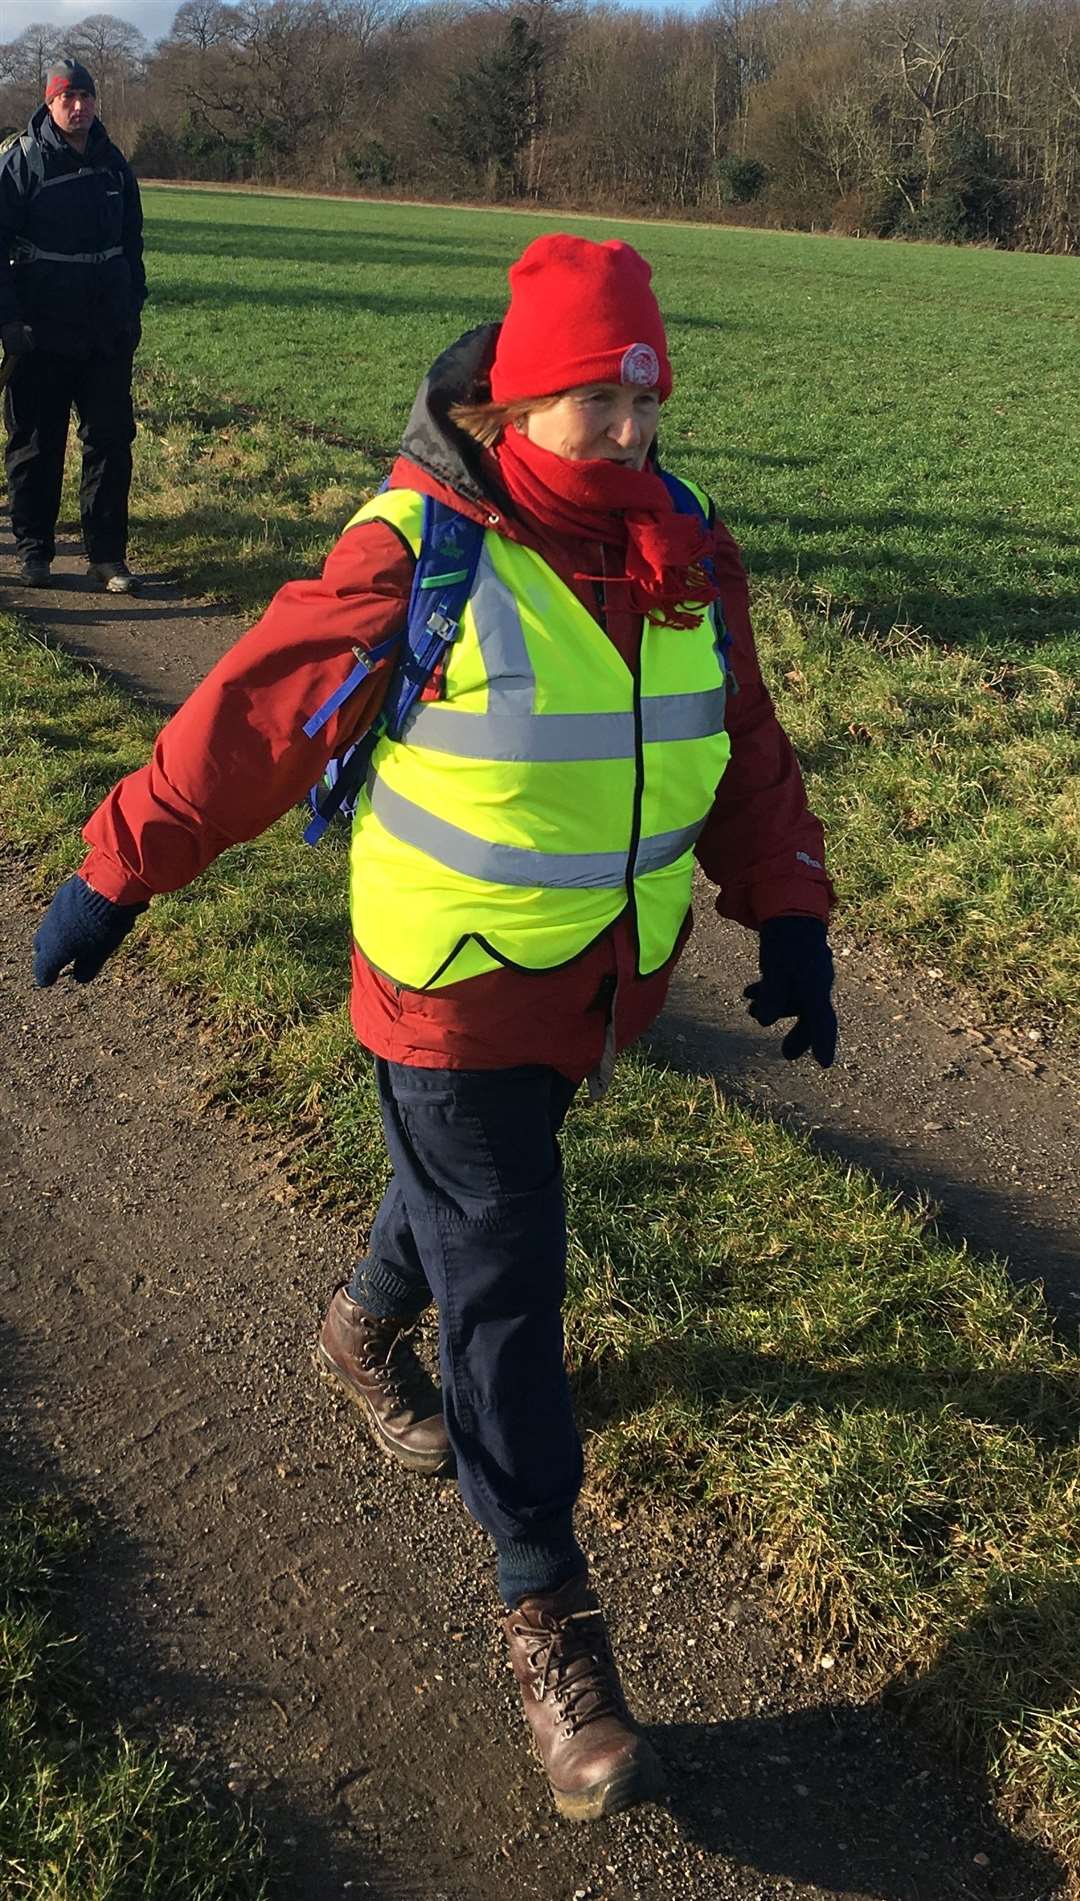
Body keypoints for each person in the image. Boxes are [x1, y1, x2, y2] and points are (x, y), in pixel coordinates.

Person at [32, 234, 837, 1822]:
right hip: (445, 991)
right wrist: (117, 867)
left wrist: (790, 907)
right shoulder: (424, 547)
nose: (625, 423)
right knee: (509, 1276)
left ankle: (354, 1328)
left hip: (596, 982)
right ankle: (551, 1618)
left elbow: (739, 738)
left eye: (643, 389)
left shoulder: (684, 545)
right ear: (517, 401)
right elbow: (252, 719)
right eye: (590, 397)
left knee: (471, 1210)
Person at [0, 57, 145, 594]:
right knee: (36, 443)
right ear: (50, 101)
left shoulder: (114, 166)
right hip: (38, 332)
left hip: (105, 331)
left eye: (85, 96)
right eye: (68, 98)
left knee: (110, 441)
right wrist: (8, 319)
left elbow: (132, 244)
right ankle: (34, 552)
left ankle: (106, 556)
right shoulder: (22, 163)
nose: (78, 107)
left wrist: (133, 308)